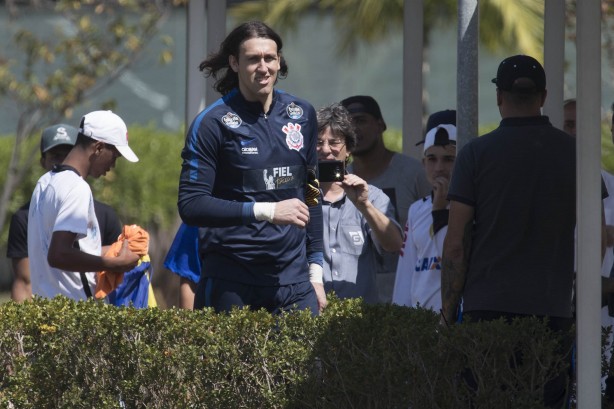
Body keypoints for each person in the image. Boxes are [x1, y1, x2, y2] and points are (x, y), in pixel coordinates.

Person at [441, 55, 575, 408]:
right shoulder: (574, 153)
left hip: (487, 309)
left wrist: (447, 312)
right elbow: (600, 236)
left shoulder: (475, 154)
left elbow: (455, 244)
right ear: (543, 97)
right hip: (553, 308)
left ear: (499, 97)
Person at [177, 21, 325, 315]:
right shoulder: (212, 122)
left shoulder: (302, 114)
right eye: (253, 59)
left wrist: (316, 271)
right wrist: (268, 212)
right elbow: (191, 205)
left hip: (293, 279)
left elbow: (311, 192)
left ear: (279, 61)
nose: (263, 67)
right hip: (231, 278)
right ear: (234, 63)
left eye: (270, 58)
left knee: (305, 362)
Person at [27, 111, 140, 300]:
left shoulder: (45, 182)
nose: (112, 165)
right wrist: (114, 264)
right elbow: (58, 254)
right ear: (98, 148)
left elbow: (62, 248)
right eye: (114, 157)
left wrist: (114, 250)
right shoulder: (77, 188)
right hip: (72, 311)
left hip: (45, 306)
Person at [6, 124, 123, 302]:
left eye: (67, 153)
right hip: (72, 313)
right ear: (43, 161)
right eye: (55, 155)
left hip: (73, 311)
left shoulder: (105, 214)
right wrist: (115, 262)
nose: (62, 161)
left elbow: (111, 278)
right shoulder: (29, 212)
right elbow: (29, 277)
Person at [340, 95, 431, 303]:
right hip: (359, 302)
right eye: (347, 125)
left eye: (361, 121)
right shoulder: (339, 183)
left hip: (410, 296)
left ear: (381, 124)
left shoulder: (413, 173)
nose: (355, 130)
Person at [316, 103, 402, 304]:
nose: (326, 150)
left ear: (349, 150)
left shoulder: (372, 196)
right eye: (318, 143)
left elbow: (394, 244)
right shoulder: (298, 198)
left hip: (358, 323)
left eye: (334, 142)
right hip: (308, 317)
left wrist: (365, 205)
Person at [393, 112, 457, 311]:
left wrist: (440, 211)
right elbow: (407, 271)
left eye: (448, 159)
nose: (439, 168)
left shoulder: (476, 207)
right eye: (432, 159)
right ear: (423, 163)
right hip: (422, 323)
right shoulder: (417, 210)